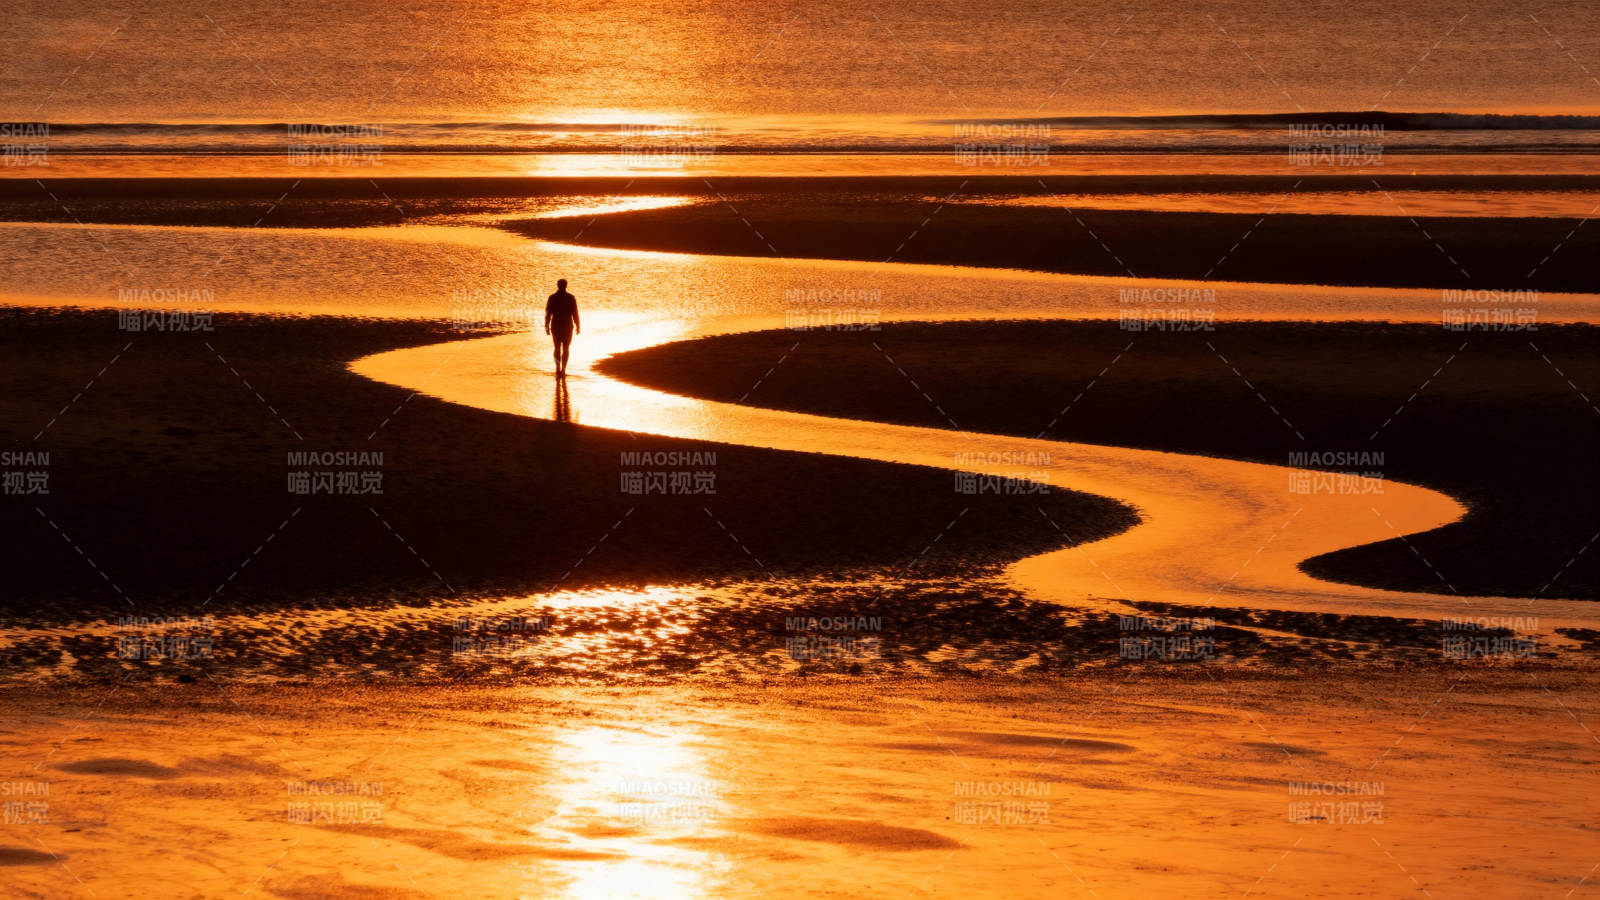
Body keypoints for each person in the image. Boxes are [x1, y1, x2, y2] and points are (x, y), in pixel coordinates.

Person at [543, 278, 580, 377]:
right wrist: (578, 325)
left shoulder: (552, 297)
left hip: (557, 326)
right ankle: (562, 369)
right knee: (565, 348)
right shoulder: (570, 298)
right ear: (565, 286)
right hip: (566, 326)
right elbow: (575, 313)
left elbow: (547, 313)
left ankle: (559, 368)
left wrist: (546, 325)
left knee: (557, 348)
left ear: (558, 285)